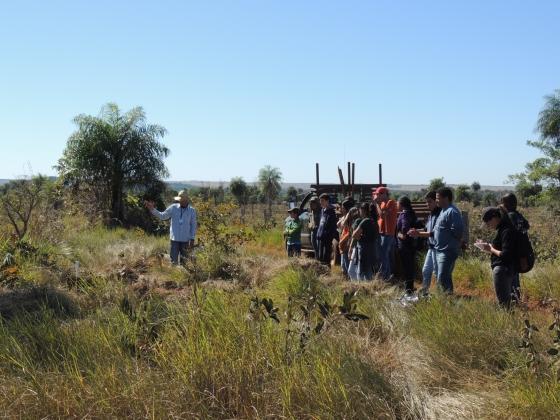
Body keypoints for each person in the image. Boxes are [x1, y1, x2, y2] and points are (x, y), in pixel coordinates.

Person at [145, 190, 197, 265]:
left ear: (187, 200)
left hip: (185, 240)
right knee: (173, 262)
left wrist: (192, 239)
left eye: (183, 200)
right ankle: (173, 275)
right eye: (180, 200)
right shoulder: (173, 208)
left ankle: (183, 276)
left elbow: (193, 225)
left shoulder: (192, 211)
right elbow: (162, 216)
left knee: (185, 263)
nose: (181, 201)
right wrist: (152, 209)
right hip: (174, 240)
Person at [479, 207, 516, 308]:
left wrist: (490, 248)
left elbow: (505, 254)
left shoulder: (506, 230)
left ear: (495, 217)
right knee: (508, 303)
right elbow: (501, 250)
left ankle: (507, 322)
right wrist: (488, 248)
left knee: (504, 305)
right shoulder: (502, 229)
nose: (488, 226)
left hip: (502, 270)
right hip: (505, 269)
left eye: (488, 222)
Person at [408, 191, 441, 295]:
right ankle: (425, 293)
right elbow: (426, 229)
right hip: (431, 248)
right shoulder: (431, 214)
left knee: (437, 273)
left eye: (430, 202)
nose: (427, 204)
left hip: (437, 248)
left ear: (436, 201)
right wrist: (416, 231)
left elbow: (433, 234)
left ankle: (440, 294)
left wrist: (418, 233)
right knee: (425, 270)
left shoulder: (440, 214)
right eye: (426, 202)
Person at [433, 187, 464, 293]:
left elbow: (458, 231)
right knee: (442, 277)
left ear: (445, 198)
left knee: (443, 278)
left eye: (438, 198)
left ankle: (447, 301)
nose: (436, 200)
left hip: (447, 251)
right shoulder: (443, 211)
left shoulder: (452, 212)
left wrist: (452, 242)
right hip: (440, 250)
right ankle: (444, 301)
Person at [500, 193, 530, 301]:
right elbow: (527, 226)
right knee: (514, 277)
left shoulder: (511, 215)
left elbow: (517, 234)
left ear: (505, 204)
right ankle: (516, 299)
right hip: (518, 252)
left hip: (513, 253)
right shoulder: (517, 215)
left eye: (502, 202)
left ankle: (513, 301)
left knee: (510, 277)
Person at [349, 203, 379, 281]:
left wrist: (359, 236)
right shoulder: (375, 222)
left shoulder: (365, 221)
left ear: (364, 210)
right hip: (372, 249)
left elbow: (354, 234)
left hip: (364, 249)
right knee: (370, 272)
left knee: (361, 272)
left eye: (360, 209)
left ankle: (362, 289)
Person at [373, 187, 398, 280]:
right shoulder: (382, 203)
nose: (377, 196)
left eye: (378, 194)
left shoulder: (391, 202)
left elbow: (382, 215)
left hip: (388, 233)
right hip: (383, 232)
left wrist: (376, 204)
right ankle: (387, 275)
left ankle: (386, 276)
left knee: (384, 254)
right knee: (384, 255)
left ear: (384, 194)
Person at [396, 196, 418, 295]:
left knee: (406, 268)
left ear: (401, 204)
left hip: (405, 246)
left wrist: (398, 234)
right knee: (410, 267)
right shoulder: (411, 213)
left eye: (397, 203)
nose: (396, 205)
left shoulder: (404, 215)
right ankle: (410, 288)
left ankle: (408, 290)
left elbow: (405, 230)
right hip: (412, 245)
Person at [317, 193, 338, 266]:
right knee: (320, 258)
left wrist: (326, 236)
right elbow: (321, 224)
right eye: (320, 201)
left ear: (327, 201)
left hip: (326, 240)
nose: (321, 202)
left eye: (322, 201)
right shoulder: (323, 211)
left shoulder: (331, 212)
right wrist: (319, 234)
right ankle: (322, 275)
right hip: (320, 238)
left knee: (325, 258)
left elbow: (332, 227)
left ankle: (326, 275)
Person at [338, 201, 357, 277]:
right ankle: (346, 279)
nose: (341, 209)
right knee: (343, 264)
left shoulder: (352, 219)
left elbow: (350, 233)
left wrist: (342, 241)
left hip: (347, 243)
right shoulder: (346, 218)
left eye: (343, 208)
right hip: (344, 243)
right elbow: (341, 225)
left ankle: (349, 280)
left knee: (347, 265)